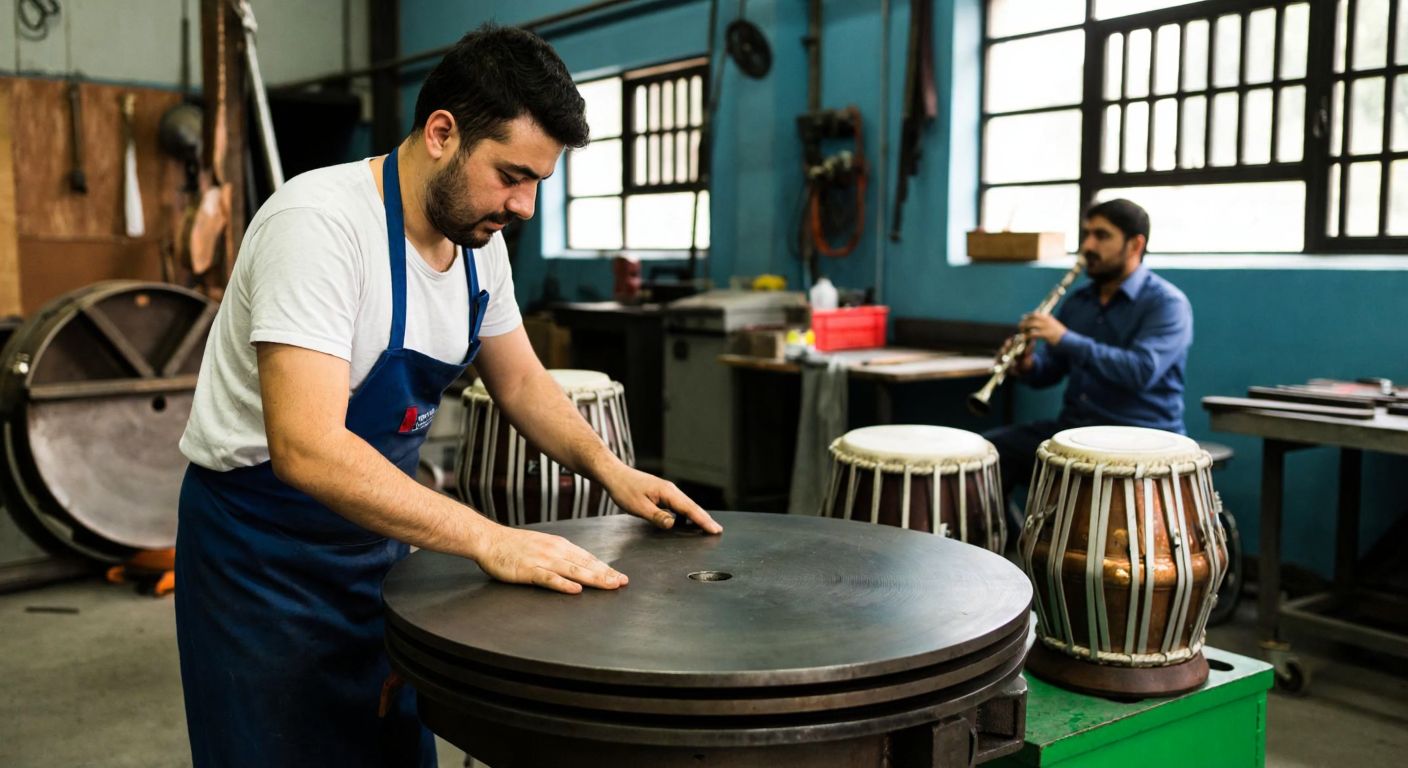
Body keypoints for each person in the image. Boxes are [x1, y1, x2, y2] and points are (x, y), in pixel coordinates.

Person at [173, 24, 721, 768]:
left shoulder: (478, 246)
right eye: (511, 175)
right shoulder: (320, 227)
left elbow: (522, 380)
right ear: (441, 133)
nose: (524, 206)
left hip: (380, 552)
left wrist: (612, 470)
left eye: (537, 183)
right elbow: (306, 447)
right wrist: (488, 539)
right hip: (262, 565)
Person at [982, 198, 1193, 528]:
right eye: (1086, 234)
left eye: (1102, 235)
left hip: (1142, 442)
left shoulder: (1166, 303)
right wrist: (1025, 365)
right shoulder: (1080, 301)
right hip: (1075, 432)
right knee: (986, 455)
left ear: (1136, 244)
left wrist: (1064, 337)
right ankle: (1007, 554)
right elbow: (1051, 371)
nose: (1088, 246)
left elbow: (1141, 372)